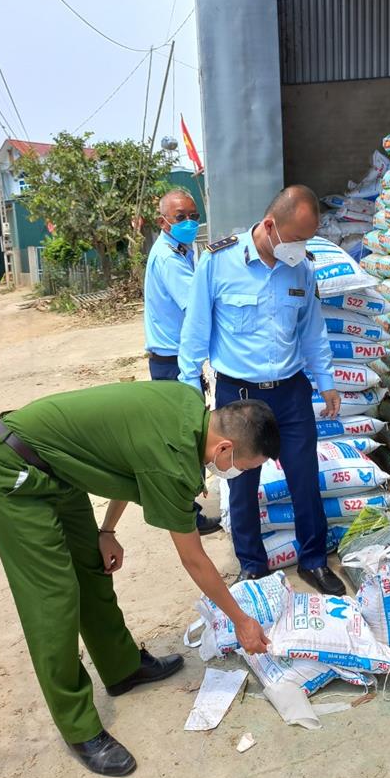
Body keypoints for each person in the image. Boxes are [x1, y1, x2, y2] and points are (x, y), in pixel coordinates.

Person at [0, 382, 280, 777]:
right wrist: (241, 621)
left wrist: (107, 531)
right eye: (244, 467)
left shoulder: (189, 407)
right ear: (223, 449)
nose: (238, 473)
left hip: (61, 468)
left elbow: (129, 467)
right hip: (12, 467)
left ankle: (121, 669)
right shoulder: (172, 462)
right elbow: (194, 560)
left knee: (93, 570)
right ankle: (78, 727)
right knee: (53, 599)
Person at [178, 184, 346, 596]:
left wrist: (326, 382)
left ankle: (313, 561)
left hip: (290, 392)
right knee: (241, 484)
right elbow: (195, 331)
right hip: (239, 395)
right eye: (296, 238)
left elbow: (312, 332)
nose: (300, 248)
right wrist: (187, 394)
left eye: (307, 239)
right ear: (269, 226)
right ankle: (252, 566)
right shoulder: (218, 262)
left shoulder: (302, 268)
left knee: (305, 479)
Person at [143, 188, 221, 534]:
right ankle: (186, 517)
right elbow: (196, 306)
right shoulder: (168, 258)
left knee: (186, 434)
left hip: (175, 357)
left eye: (193, 215)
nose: (189, 222)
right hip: (172, 362)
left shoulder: (182, 249)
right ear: (163, 222)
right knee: (183, 439)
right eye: (180, 217)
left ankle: (187, 510)